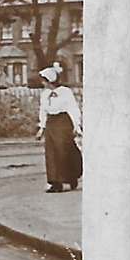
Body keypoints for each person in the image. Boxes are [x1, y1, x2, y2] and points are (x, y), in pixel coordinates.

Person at [36, 62, 82, 192]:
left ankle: (71, 177)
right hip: (51, 123)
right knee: (51, 153)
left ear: (50, 80)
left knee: (63, 151)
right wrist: (42, 128)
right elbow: (43, 111)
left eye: (44, 81)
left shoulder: (65, 92)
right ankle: (55, 183)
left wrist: (76, 126)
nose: (43, 84)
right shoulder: (44, 94)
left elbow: (72, 108)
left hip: (63, 122)